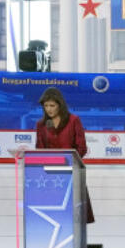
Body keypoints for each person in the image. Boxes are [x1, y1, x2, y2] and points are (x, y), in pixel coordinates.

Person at [34, 86, 95, 223]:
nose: (48, 109)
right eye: (46, 105)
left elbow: (81, 147)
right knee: (56, 218)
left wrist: (68, 162)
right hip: (51, 175)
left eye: (52, 105)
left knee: (75, 218)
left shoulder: (74, 121)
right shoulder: (41, 125)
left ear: (60, 105)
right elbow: (40, 148)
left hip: (71, 172)